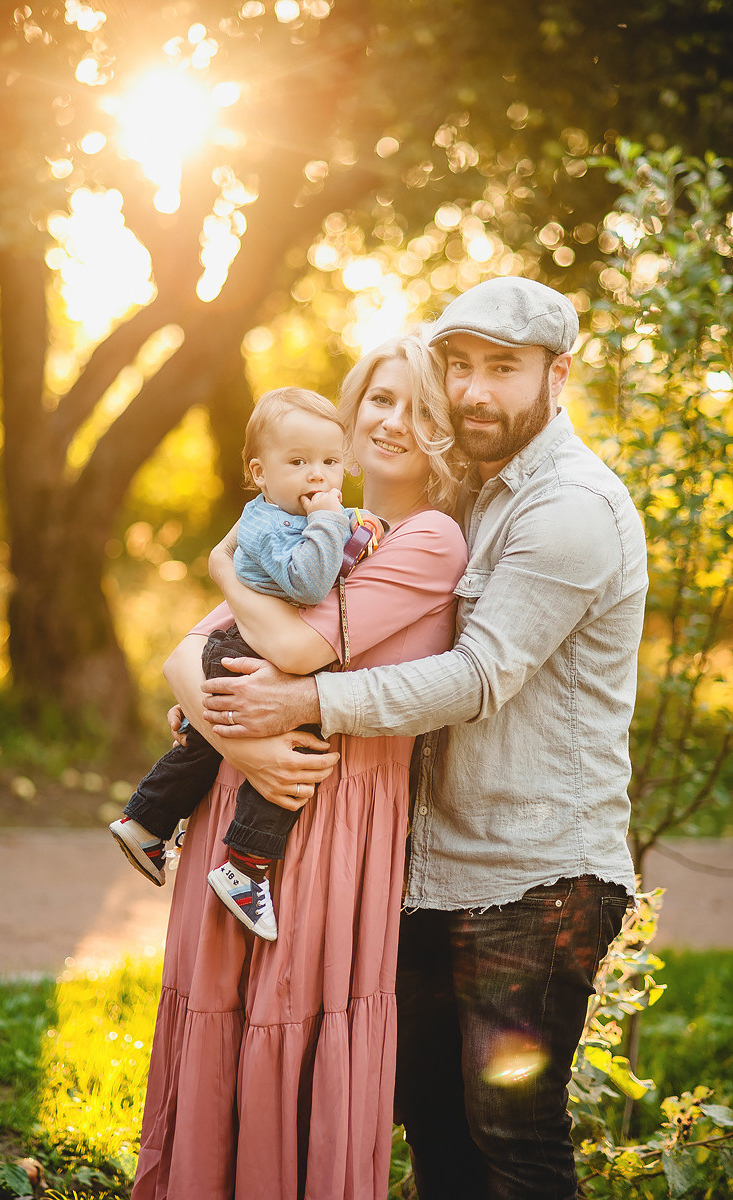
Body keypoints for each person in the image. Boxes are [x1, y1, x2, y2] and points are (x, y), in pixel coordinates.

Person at [201, 277, 649, 1200]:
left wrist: (306, 702)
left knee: (511, 1137)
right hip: (437, 868)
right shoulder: (468, 499)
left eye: (503, 369)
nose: (474, 391)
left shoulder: (566, 508)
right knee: (435, 1129)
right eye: (460, 367)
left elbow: (477, 677)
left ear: (556, 375)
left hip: (535, 875)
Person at [130, 331, 468, 1200]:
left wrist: (222, 573)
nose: (393, 420)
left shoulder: (427, 540)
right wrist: (242, 744)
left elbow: (285, 645)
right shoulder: (300, 522)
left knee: (292, 1014)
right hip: (249, 791)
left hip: (334, 813)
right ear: (349, 417)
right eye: (380, 400)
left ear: (443, 430)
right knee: (221, 1010)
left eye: (418, 406)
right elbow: (179, 659)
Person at [109, 386, 383, 942]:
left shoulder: (299, 514)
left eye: (331, 462)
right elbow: (309, 579)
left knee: (208, 743)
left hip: (249, 645)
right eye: (299, 462)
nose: (318, 477)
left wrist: (358, 525)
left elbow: (335, 557)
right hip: (248, 650)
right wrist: (336, 522)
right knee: (299, 741)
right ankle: (246, 865)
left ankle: (146, 821)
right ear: (260, 472)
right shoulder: (261, 524)